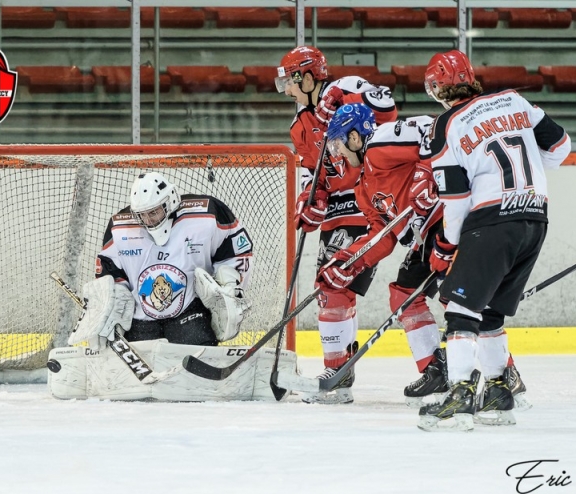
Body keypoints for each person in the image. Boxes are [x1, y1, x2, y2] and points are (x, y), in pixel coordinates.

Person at [420, 50, 571, 431]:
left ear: (438, 87)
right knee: (489, 313)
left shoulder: (446, 124)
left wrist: (446, 245)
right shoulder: (514, 100)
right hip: (535, 216)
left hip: (491, 220)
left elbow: (455, 202)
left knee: (460, 310)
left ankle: (460, 393)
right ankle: (500, 391)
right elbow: (560, 148)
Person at [275, 46, 398, 404]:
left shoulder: (348, 89)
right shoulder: (300, 126)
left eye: (290, 82)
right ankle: (338, 369)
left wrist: (338, 96)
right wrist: (310, 204)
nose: (288, 90)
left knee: (335, 282)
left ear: (308, 77)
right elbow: (314, 178)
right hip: (337, 214)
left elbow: (388, 109)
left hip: (370, 200)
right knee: (329, 288)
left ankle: (339, 369)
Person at [314, 103, 447, 405]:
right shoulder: (363, 188)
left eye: (338, 145)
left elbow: (432, 128)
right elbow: (383, 236)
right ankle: (435, 371)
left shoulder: (381, 143)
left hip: (451, 216)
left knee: (459, 299)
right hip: (425, 234)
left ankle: (501, 373)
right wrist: (348, 262)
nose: (337, 156)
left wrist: (426, 176)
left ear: (355, 138)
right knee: (403, 294)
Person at [68, 172, 253, 350]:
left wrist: (229, 287)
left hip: (189, 313)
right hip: (140, 319)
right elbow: (110, 272)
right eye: (142, 215)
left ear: (169, 201)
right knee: (134, 372)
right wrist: (108, 308)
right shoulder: (119, 228)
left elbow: (235, 252)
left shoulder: (206, 215)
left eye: (154, 212)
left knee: (199, 359)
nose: (148, 220)